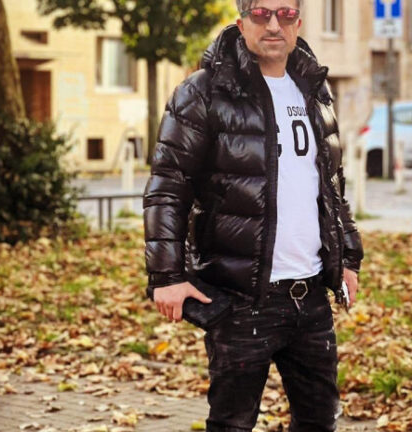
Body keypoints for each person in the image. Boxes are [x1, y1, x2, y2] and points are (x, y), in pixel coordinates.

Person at [142, 0, 364, 430]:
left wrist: (348, 257)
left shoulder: (314, 89)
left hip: (310, 297)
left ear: (298, 22)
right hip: (240, 299)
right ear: (241, 22)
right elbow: (168, 185)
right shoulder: (203, 91)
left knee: (320, 422)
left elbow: (331, 184)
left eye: (285, 14)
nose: (274, 24)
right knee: (233, 424)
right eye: (261, 14)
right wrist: (166, 276)